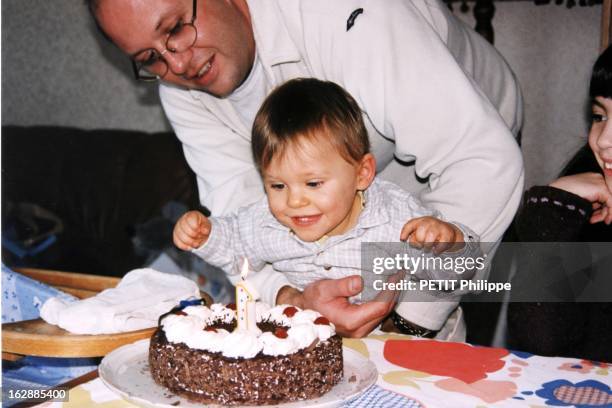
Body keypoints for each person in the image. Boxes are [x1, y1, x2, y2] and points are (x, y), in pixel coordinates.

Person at [89, 0, 524, 337]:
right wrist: (295, 299)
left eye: (177, 28)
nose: (178, 64)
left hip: (469, 145)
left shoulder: (340, 11)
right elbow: (245, 220)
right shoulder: (179, 89)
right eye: (150, 58)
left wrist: (407, 321)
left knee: (446, 296)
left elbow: (481, 163)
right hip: (353, 186)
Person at [174, 78, 483, 339]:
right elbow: (234, 243)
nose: (294, 202)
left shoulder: (396, 219)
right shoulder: (266, 222)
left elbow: (457, 274)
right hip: (335, 352)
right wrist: (205, 234)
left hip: (420, 352)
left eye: (313, 184)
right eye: (278, 186)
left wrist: (448, 243)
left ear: (362, 174)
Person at [507, 46, 612, 362]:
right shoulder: (589, 212)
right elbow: (540, 346)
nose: (603, 139)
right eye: (600, 116)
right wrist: (554, 203)